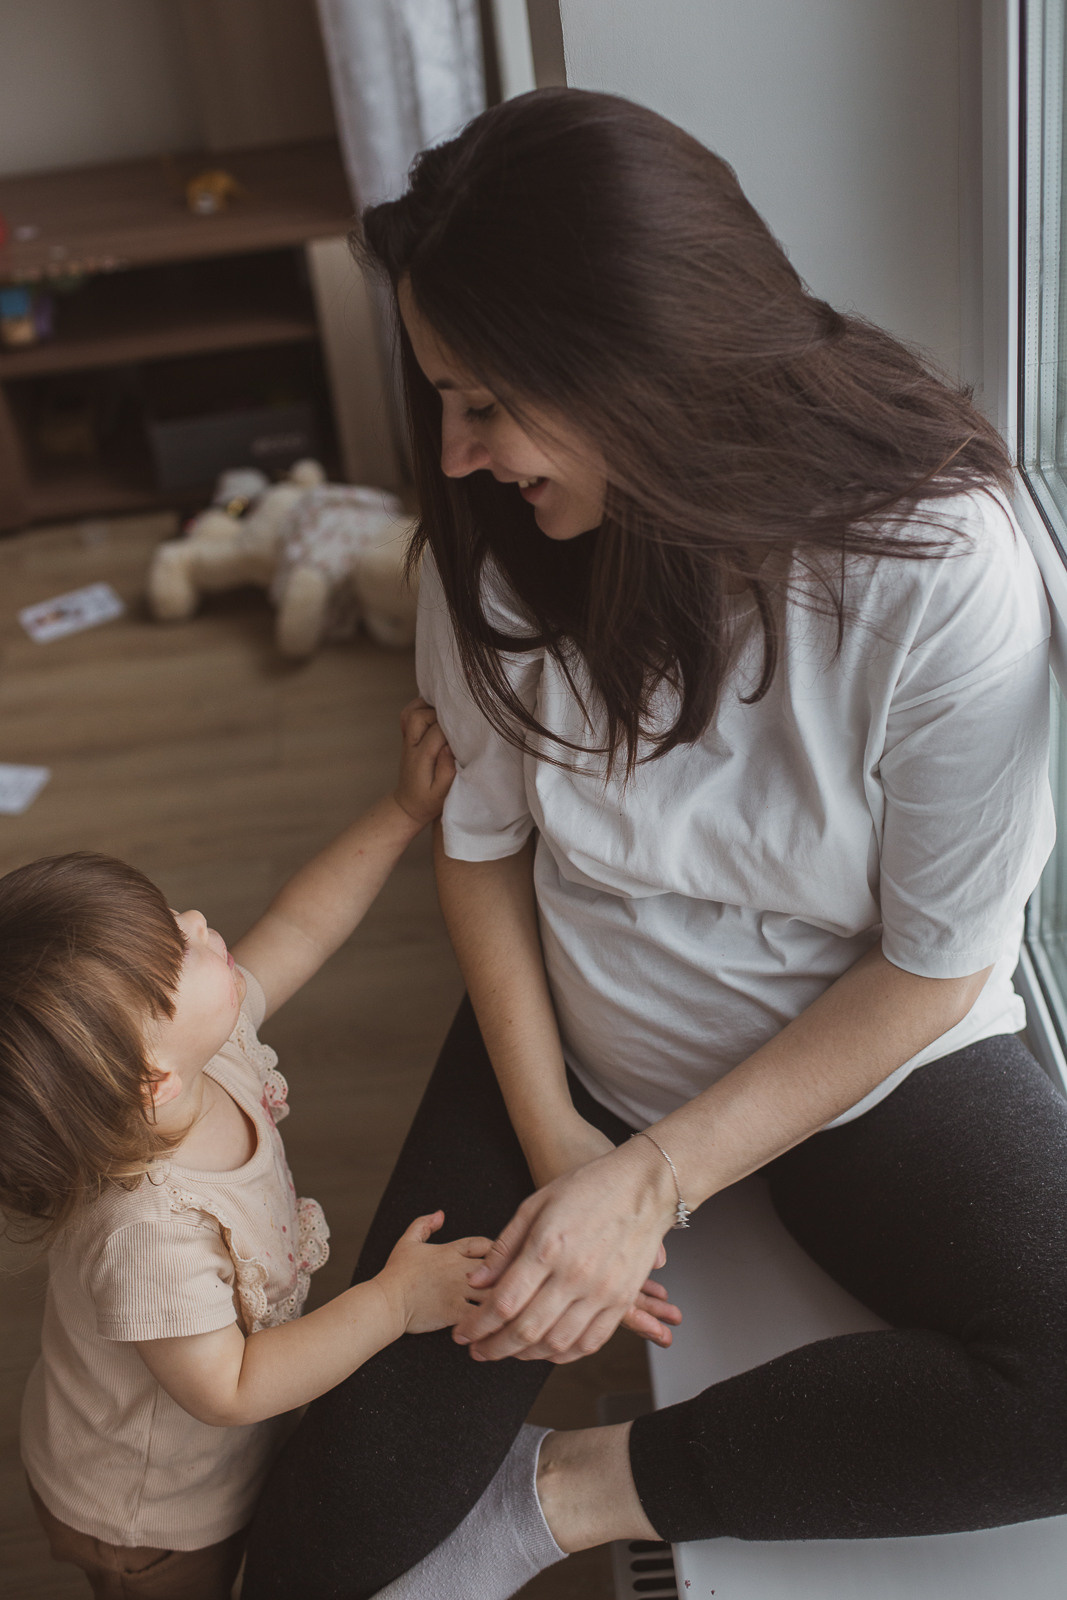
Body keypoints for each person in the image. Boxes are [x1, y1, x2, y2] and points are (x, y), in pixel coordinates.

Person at [241, 88, 1067, 1600]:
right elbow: (481, 855)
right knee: (316, 1565)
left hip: (851, 1064)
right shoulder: (488, 550)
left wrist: (650, 1188)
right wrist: (560, 1138)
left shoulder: (943, 569)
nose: (457, 449)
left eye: (485, 401)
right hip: (578, 1045)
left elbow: (932, 968)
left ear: (637, 368)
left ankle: (572, 1488)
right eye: (438, 394)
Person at [4, 701, 488, 1600]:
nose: (193, 919)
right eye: (175, 949)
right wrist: (392, 1303)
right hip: (147, 1514)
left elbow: (302, 927)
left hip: (167, 1454)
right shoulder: (151, 1235)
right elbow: (226, 1387)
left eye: (168, 918)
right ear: (154, 1082)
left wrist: (398, 813)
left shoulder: (198, 1055)